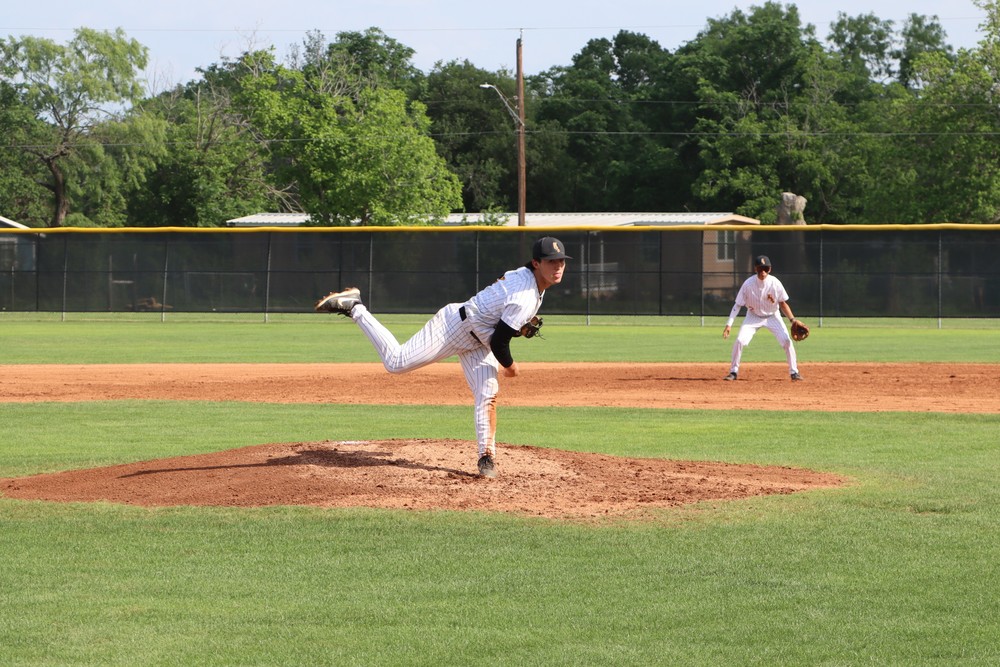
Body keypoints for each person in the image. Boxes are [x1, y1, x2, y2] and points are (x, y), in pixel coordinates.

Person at [314, 236, 571, 478]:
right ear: (537, 263)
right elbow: (499, 341)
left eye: (560, 261)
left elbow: (498, 317)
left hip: (479, 340)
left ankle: (486, 457)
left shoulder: (529, 279)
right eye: (551, 261)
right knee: (396, 363)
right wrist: (511, 366)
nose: (557, 266)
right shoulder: (525, 295)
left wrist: (514, 325)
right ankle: (356, 307)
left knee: (487, 394)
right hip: (453, 327)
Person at [722, 255, 803, 381]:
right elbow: (737, 305)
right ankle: (733, 372)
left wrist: (792, 320)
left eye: (766, 268)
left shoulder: (775, 283)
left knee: (787, 342)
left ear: (770, 269)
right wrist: (729, 324)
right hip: (753, 316)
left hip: (773, 316)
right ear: (755, 269)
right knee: (739, 341)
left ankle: (794, 372)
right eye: (760, 269)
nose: (763, 272)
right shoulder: (748, 284)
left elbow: (782, 303)